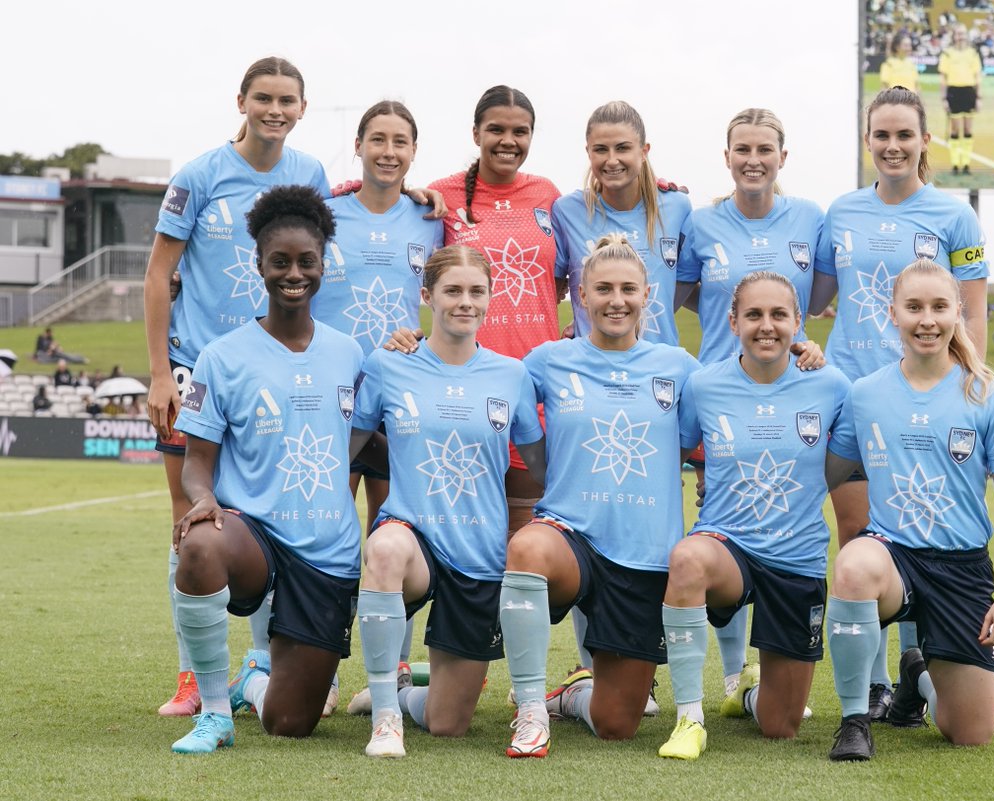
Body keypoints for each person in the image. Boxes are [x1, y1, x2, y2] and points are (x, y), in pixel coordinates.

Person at [143, 57, 331, 719]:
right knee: (189, 519)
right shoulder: (199, 175)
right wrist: (163, 371)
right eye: (263, 98)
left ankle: (262, 663)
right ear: (242, 101)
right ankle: (193, 674)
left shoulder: (310, 174)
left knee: (270, 512)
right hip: (198, 367)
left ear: (303, 108)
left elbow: (331, 239)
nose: (274, 110)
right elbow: (158, 272)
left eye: (287, 100)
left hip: (274, 372)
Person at [810, 86, 990, 725]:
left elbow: (971, 308)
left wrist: (972, 384)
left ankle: (921, 667)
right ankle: (881, 684)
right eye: (881, 135)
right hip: (856, 394)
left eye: (903, 135)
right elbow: (814, 293)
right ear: (868, 143)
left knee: (922, 531)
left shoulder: (955, 217)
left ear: (923, 143)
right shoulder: (840, 212)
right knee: (859, 538)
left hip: (930, 396)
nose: (892, 146)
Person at [169, 185, 363, 754]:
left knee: (290, 722)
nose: (294, 273)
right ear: (259, 264)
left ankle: (250, 684)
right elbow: (196, 464)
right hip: (254, 535)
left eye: (306, 261)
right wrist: (202, 498)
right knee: (200, 545)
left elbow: (368, 441)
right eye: (280, 261)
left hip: (326, 551)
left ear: (324, 264)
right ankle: (211, 713)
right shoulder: (221, 356)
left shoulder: (350, 353)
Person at [823, 258, 994, 761]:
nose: (927, 320)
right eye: (913, 307)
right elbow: (827, 474)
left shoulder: (985, 393)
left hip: (961, 569)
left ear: (958, 312)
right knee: (853, 565)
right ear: (892, 313)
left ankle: (916, 679)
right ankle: (855, 721)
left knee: (970, 732)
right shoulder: (865, 394)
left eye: (939, 307)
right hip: (893, 558)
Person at [501, 235, 699, 759]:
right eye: (603, 289)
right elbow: (519, 430)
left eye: (628, 289)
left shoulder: (679, 367)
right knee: (527, 549)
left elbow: (740, 399)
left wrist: (806, 355)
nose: (616, 300)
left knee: (617, 724)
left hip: (644, 552)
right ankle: (530, 710)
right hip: (571, 536)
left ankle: (572, 697)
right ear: (580, 296)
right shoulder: (545, 362)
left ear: (647, 295)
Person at [350, 246, 545, 757]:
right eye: (452, 291)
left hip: (478, 554)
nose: (465, 302)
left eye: (476, 291)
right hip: (413, 537)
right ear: (426, 296)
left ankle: (393, 696)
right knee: (386, 549)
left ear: (489, 297)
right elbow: (347, 442)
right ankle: (386, 723)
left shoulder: (512, 374)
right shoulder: (389, 364)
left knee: (448, 723)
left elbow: (539, 465)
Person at [657, 272, 851, 760]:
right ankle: (689, 718)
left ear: (798, 322)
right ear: (733, 321)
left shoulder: (829, 384)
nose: (767, 326)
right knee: (687, 559)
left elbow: (842, 465)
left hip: (797, 558)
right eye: (754, 315)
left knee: (780, 727)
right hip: (728, 547)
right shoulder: (704, 384)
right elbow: (674, 452)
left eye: (779, 315)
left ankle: (746, 695)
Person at [675, 107, 828, 710]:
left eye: (765, 148)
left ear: (782, 157)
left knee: (783, 517)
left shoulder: (810, 218)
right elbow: (680, 293)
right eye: (742, 149)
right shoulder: (702, 222)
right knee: (720, 520)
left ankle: (768, 677)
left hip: (787, 391)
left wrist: (800, 346)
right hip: (721, 397)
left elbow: (815, 299)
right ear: (727, 156)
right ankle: (734, 673)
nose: (753, 159)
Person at [426, 85, 561, 538]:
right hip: (463, 390)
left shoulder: (548, 194)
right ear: (475, 133)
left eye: (520, 132)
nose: (508, 140)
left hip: (532, 390)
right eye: (496, 130)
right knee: (460, 541)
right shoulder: (440, 196)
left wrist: (656, 181)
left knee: (522, 551)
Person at [312, 100, 444, 536]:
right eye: (378, 140)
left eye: (400, 142)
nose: (389, 152)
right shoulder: (324, 214)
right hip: (332, 388)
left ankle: (381, 607)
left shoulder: (431, 220)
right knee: (327, 522)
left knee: (391, 528)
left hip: (397, 388)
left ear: (414, 151)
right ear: (358, 146)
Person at [553, 101, 692, 346]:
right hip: (590, 368)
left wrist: (634, 317)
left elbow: (685, 281)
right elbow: (553, 289)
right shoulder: (567, 212)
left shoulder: (677, 207)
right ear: (588, 152)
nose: (612, 160)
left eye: (623, 148)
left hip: (657, 366)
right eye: (601, 150)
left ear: (644, 151)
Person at [938, 25, 983, 175]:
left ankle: (966, 164)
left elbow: (977, 77)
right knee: (955, 129)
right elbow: (943, 78)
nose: (960, 36)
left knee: (968, 129)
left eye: (963, 33)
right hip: (954, 92)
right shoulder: (947, 54)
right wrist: (944, 98)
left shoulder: (973, 53)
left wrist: (979, 97)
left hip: (969, 91)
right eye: (958, 33)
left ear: (966, 36)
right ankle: (955, 164)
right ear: (954, 36)